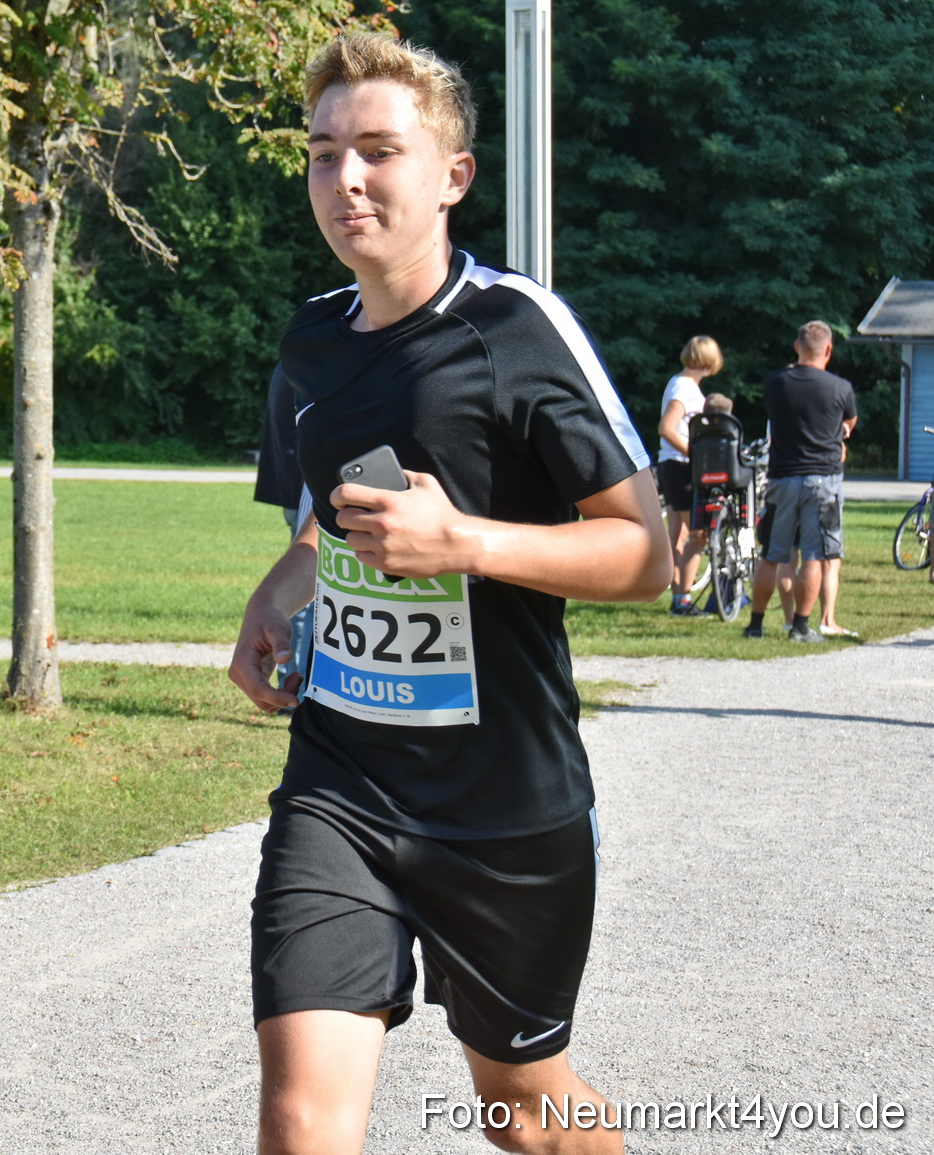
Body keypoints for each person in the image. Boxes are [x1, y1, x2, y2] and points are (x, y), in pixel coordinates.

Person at [227, 33, 670, 1155]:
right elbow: (327, 514)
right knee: (298, 1118)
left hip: (502, 803)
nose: (346, 179)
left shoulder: (514, 329)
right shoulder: (311, 341)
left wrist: (463, 541)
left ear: (452, 176)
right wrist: (278, 591)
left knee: (522, 1115)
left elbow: (644, 557)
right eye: (323, 153)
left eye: (379, 151)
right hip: (343, 782)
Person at [744, 320, 857, 643]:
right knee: (814, 555)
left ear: (796, 347)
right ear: (829, 349)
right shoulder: (841, 388)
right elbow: (849, 421)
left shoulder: (775, 382)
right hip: (823, 481)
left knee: (771, 555)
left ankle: (755, 625)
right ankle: (801, 627)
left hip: (782, 479)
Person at [254, 363, 314, 708]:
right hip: (309, 493)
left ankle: (290, 683)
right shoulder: (311, 360)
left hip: (293, 490)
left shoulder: (289, 362)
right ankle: (298, 688)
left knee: (301, 598)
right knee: (308, 597)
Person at [656, 337, 723, 615]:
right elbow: (667, 428)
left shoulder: (680, 383)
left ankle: (676, 595)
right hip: (680, 466)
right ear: (710, 360)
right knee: (699, 533)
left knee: (678, 533)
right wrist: (696, 455)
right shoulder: (685, 388)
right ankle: (682, 598)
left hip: (670, 465)